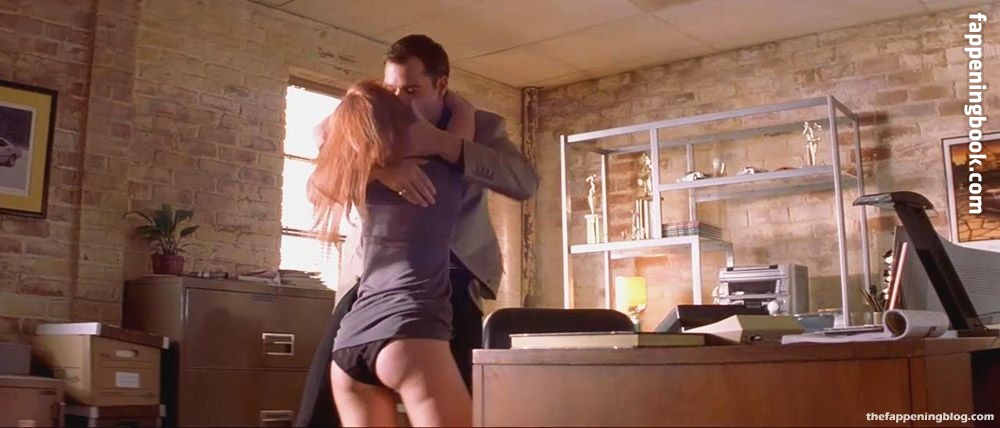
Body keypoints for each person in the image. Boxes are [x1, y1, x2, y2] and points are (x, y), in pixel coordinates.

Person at [295, 35, 538, 427]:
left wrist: (446, 144)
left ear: (441, 86)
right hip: (369, 285)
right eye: (391, 89)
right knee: (316, 414)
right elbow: (321, 177)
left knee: (465, 393)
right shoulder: (372, 124)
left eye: (411, 90)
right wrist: (382, 172)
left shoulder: (481, 128)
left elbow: (524, 183)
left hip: (451, 281)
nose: (400, 101)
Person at [309, 79, 472, 426]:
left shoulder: (357, 182)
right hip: (409, 334)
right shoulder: (439, 174)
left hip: (349, 345)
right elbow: (464, 125)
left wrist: (362, 102)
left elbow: (321, 133)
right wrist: (440, 93)